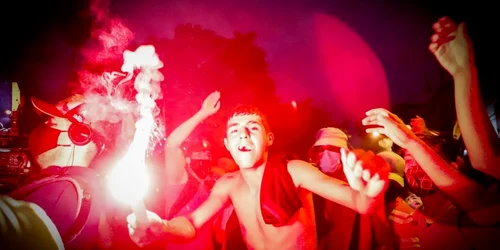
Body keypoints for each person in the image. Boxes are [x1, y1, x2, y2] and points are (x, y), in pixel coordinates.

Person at [128, 104, 390, 250]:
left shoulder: (294, 170)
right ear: (228, 144)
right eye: (235, 130)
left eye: (252, 128)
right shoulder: (227, 185)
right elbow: (192, 223)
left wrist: (369, 191)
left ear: (268, 139)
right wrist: (162, 225)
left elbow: (361, 203)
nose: (243, 134)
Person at [11, 94, 111, 250]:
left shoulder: (61, 192)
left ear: (79, 135)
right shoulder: (80, 187)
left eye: (51, 122)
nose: (41, 126)